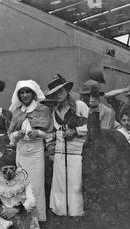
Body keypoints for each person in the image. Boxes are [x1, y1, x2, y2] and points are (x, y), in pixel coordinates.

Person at [82, 105, 130, 229]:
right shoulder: (88, 144)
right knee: (100, 209)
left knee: (117, 208)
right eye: (90, 127)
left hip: (115, 180)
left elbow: (125, 165)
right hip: (99, 182)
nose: (92, 130)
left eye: (95, 126)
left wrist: (120, 181)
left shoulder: (115, 138)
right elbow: (86, 169)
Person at [8, 80, 53, 224]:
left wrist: (39, 132)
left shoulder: (43, 110)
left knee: (36, 186)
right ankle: (23, 218)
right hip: (21, 152)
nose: (25, 95)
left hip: (36, 152)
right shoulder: (17, 111)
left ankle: (37, 219)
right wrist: (16, 135)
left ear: (33, 93)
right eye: (22, 92)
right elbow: (11, 135)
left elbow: (51, 134)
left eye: (28, 92)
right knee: (21, 184)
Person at [46, 74, 89, 217]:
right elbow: (53, 132)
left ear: (66, 90)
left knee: (75, 186)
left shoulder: (80, 106)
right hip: (60, 154)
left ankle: (76, 215)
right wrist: (51, 149)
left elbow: (93, 127)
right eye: (55, 93)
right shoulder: (55, 111)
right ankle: (61, 214)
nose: (58, 95)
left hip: (77, 153)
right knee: (60, 186)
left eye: (61, 91)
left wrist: (76, 130)